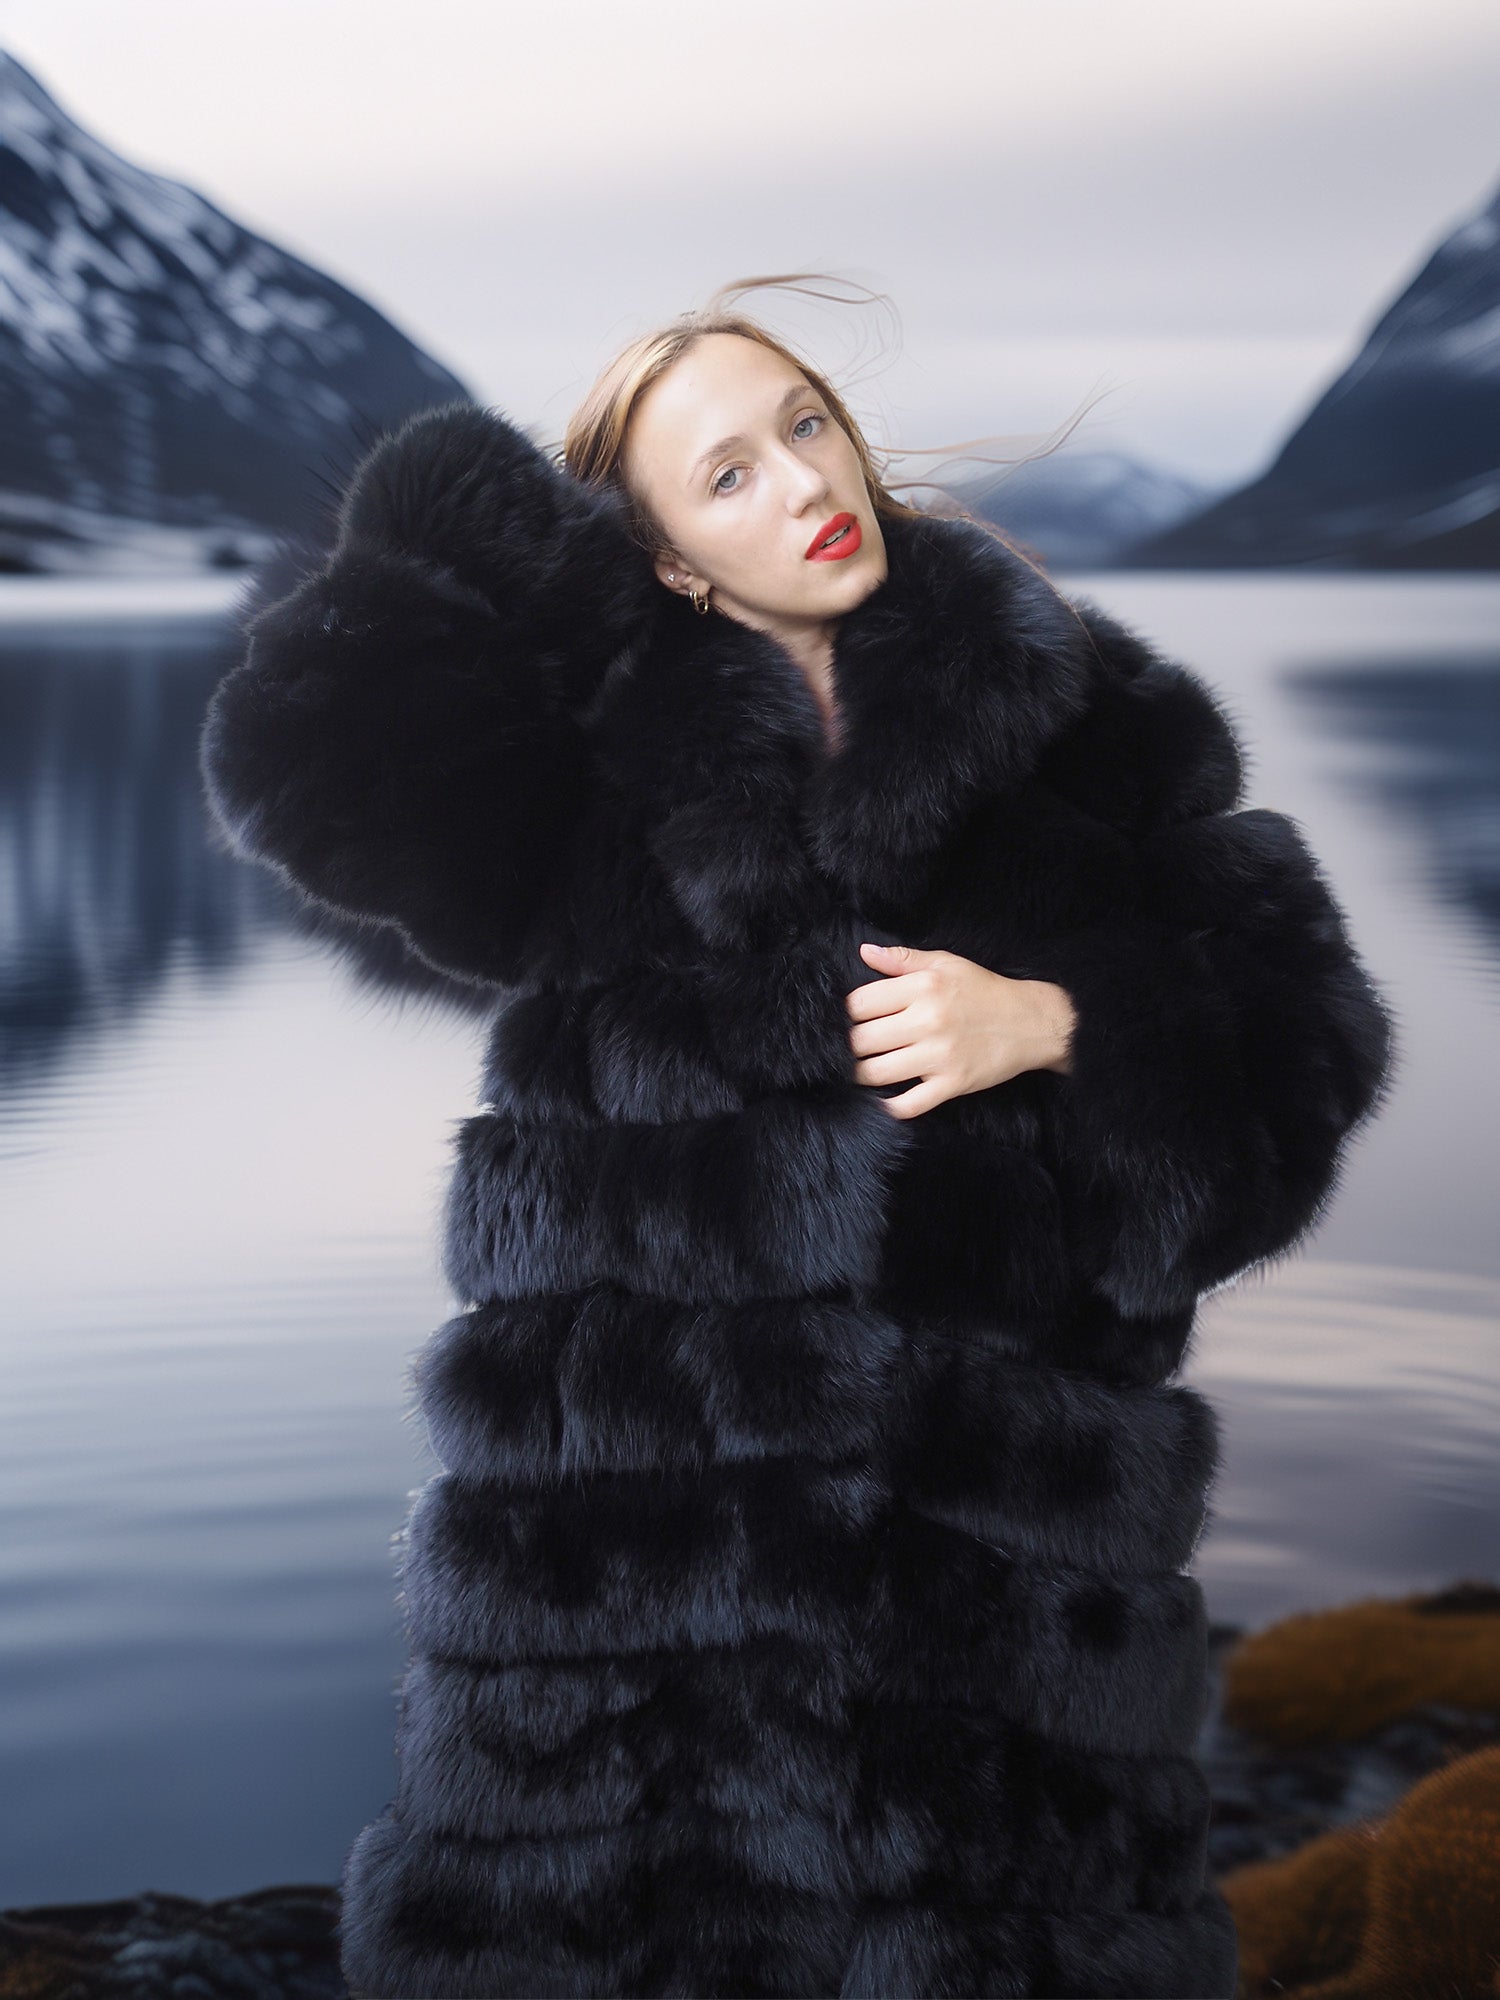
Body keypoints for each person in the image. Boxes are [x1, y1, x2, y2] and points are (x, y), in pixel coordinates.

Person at [198, 280, 1396, 2000]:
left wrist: (1062, 1025)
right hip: (623, 1580)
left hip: (995, 1570)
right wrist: (450, 513)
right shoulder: (582, 781)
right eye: (725, 476)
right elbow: (303, 772)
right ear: (673, 558)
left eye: (804, 425)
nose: (799, 481)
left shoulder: (1101, 737)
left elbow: (1303, 1062)